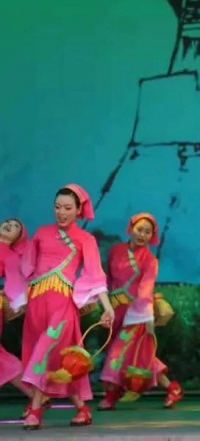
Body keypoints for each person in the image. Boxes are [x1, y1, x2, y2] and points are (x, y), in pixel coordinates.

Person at [20, 184, 115, 430]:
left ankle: (36, 409)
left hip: (62, 304)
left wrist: (108, 307)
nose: (61, 212)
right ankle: (82, 408)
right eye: (58, 207)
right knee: (55, 358)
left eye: (68, 208)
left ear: (78, 210)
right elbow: (25, 267)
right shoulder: (41, 233)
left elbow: (95, 276)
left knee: (44, 350)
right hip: (37, 303)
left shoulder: (85, 239)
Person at [98, 213, 183, 410]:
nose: (142, 235)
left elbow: (146, 289)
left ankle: (111, 395)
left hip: (136, 314)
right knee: (139, 356)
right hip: (115, 309)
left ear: (152, 235)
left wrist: (147, 317)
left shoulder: (150, 260)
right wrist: (106, 307)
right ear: (131, 228)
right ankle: (172, 388)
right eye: (139, 230)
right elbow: (107, 279)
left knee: (117, 352)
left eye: (147, 232)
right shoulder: (116, 250)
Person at [0, 219, 35, 408]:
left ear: (18, 237)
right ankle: (35, 395)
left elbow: (17, 284)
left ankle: (35, 394)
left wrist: (16, 302)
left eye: (15, 226)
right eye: (7, 222)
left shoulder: (11, 256)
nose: (9, 225)